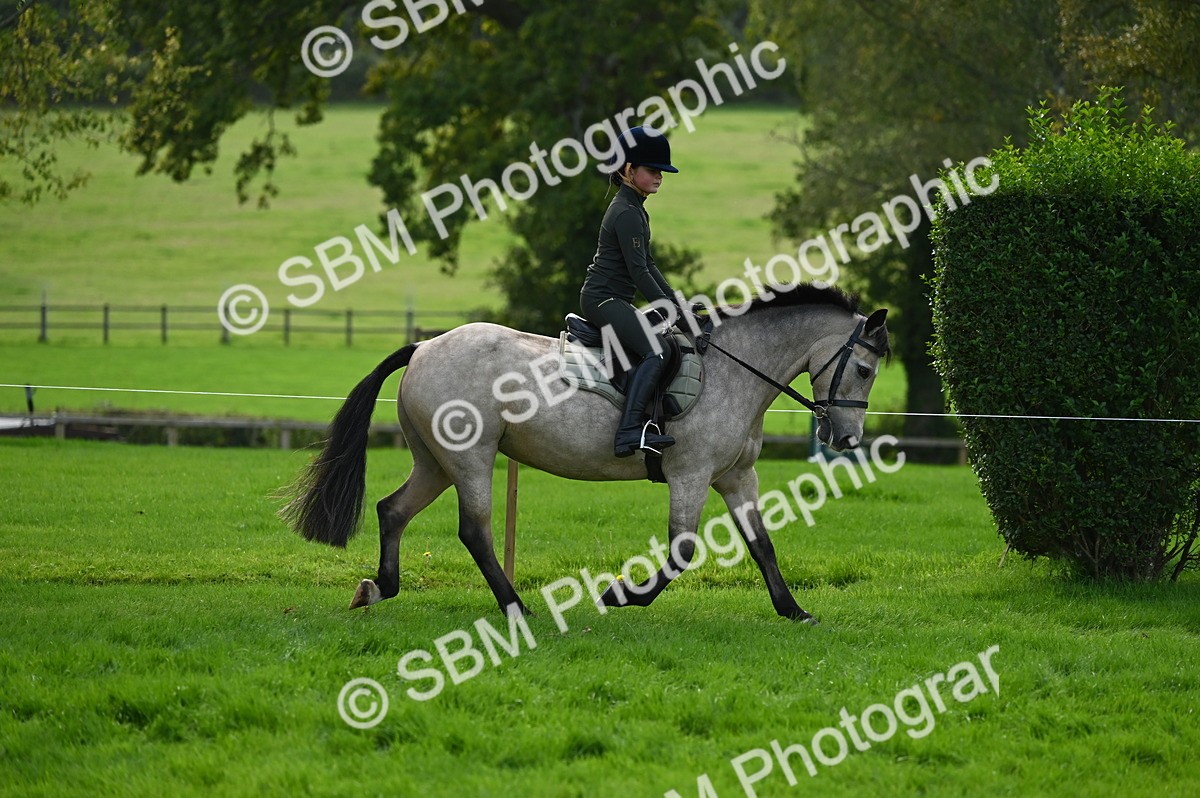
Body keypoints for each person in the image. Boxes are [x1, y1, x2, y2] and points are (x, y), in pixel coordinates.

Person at [580, 126, 687, 458]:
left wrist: (676, 303)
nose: (659, 177)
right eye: (652, 170)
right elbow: (639, 273)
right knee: (655, 351)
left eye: (662, 171)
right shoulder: (626, 212)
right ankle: (628, 433)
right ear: (629, 170)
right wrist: (671, 309)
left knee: (666, 347)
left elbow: (649, 263)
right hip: (603, 300)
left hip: (614, 299)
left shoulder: (635, 207)